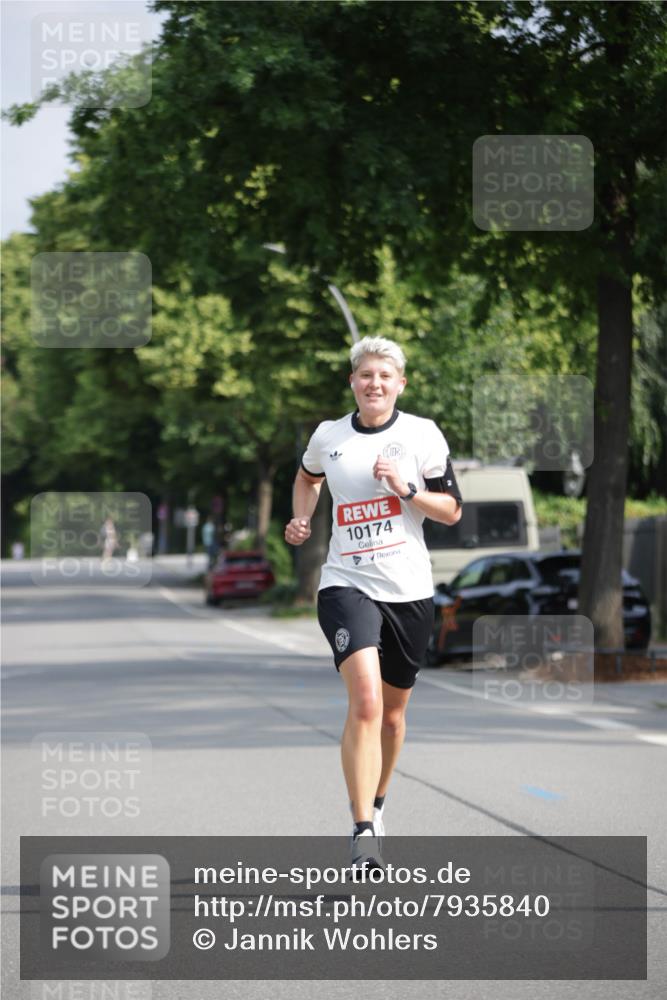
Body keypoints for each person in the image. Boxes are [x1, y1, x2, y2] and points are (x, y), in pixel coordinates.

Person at [285, 336, 463, 871]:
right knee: (364, 701)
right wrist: (302, 517)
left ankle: (379, 802)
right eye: (365, 375)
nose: (375, 384)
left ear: (400, 383)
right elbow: (306, 478)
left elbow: (451, 510)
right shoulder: (329, 436)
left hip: (409, 590)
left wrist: (406, 489)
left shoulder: (421, 434)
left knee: (392, 717)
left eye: (385, 376)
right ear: (353, 382)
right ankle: (362, 829)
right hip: (346, 584)